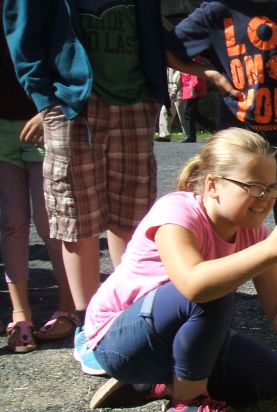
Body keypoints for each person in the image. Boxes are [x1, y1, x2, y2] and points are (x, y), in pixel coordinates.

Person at [85, 128, 277, 412]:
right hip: (117, 342)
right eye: (255, 187)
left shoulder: (254, 234)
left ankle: (158, 383)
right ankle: (187, 406)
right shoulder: (176, 212)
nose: (267, 198)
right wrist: (271, 249)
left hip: (167, 337)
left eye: (271, 188)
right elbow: (193, 285)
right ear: (213, 185)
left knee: (272, 378)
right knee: (209, 287)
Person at [3, 0, 169, 374]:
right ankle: (89, 326)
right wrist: (46, 101)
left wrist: (155, 92)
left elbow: (154, 33)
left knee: (133, 218)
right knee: (78, 218)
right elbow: (22, 37)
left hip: (135, 100)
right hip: (72, 104)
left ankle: (128, 321)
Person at [166, 0, 277, 351]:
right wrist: (208, 74)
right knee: (222, 228)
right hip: (242, 144)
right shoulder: (217, 11)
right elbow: (169, 47)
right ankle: (203, 314)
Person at [1, 23, 76, 353]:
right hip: (2, 130)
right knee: (12, 222)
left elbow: (67, 54)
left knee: (51, 224)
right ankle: (21, 315)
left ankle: (67, 308)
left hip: (41, 122)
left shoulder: (34, 8)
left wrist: (51, 107)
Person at [155, 67, 185, 142]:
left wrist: (174, 90)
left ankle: (188, 135)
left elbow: (178, 77)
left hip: (179, 92)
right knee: (164, 112)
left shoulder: (175, 63)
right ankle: (164, 135)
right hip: (169, 92)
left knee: (182, 115)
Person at [179, 67, 207, 144]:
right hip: (189, 87)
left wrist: (193, 87)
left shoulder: (192, 58)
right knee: (194, 113)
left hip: (192, 88)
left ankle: (191, 136)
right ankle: (215, 129)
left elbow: (194, 74)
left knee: (188, 112)